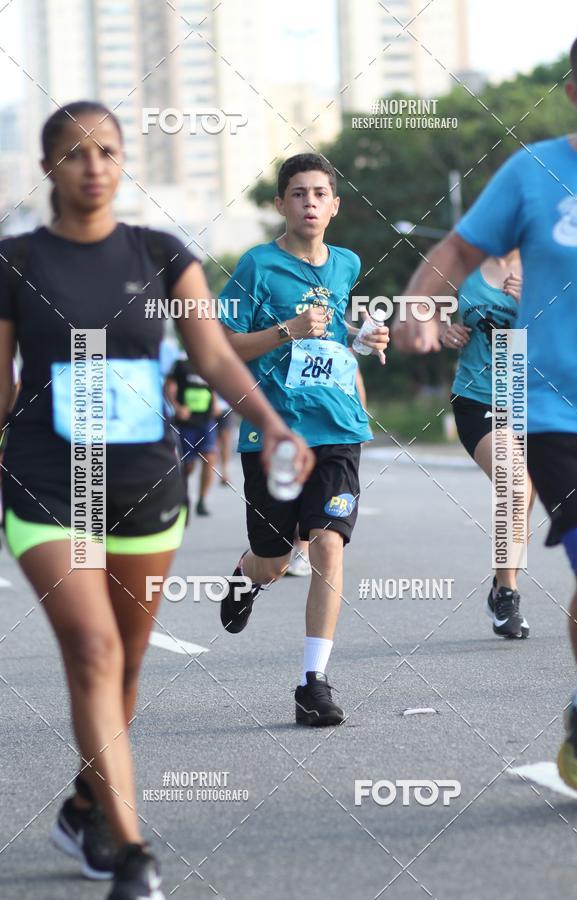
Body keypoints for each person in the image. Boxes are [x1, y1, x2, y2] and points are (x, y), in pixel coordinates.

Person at [0, 101, 312, 900]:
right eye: (74, 153)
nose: (93, 165)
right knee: (94, 652)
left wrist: (273, 426)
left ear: (123, 160)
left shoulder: (162, 254)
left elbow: (211, 355)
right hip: (48, 484)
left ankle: (85, 804)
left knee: (128, 663)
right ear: (48, 170)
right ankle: (133, 851)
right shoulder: (15, 261)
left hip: (144, 483)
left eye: (107, 150)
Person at [393, 23, 577, 794]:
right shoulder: (534, 174)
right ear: (576, 92)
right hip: (551, 412)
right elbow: (452, 252)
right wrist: (421, 308)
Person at [218, 152, 389, 726]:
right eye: (298, 194)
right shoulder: (256, 266)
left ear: (335, 206)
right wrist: (285, 331)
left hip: (338, 427)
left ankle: (312, 681)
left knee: (328, 544)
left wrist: (365, 338)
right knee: (274, 560)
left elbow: (339, 328)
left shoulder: (347, 262)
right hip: (273, 432)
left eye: (320, 193)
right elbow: (221, 348)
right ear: (281, 205)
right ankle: (246, 576)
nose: (310, 202)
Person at [443, 251, 535, 638]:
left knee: (524, 498)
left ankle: (501, 583)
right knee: (515, 485)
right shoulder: (463, 264)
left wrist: (531, 303)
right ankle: (508, 595)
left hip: (535, 402)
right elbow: (421, 312)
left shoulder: (546, 265)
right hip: (478, 398)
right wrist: (440, 328)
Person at [166, 355, 218, 516]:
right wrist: (177, 407)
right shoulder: (181, 364)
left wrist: (215, 405)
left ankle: (202, 501)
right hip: (187, 422)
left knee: (209, 457)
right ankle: (182, 497)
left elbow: (213, 386)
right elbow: (169, 387)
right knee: (188, 465)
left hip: (206, 421)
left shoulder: (208, 360)